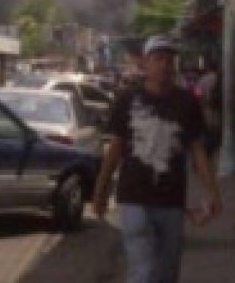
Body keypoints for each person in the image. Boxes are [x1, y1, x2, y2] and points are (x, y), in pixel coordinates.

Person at [92, 35, 222, 283]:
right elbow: (115, 149)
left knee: (166, 273)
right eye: (158, 58)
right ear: (145, 64)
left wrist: (212, 191)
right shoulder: (127, 100)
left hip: (171, 200)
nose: (164, 64)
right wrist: (100, 189)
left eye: (169, 59)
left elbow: (197, 150)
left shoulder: (187, 102)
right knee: (144, 272)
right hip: (134, 198)